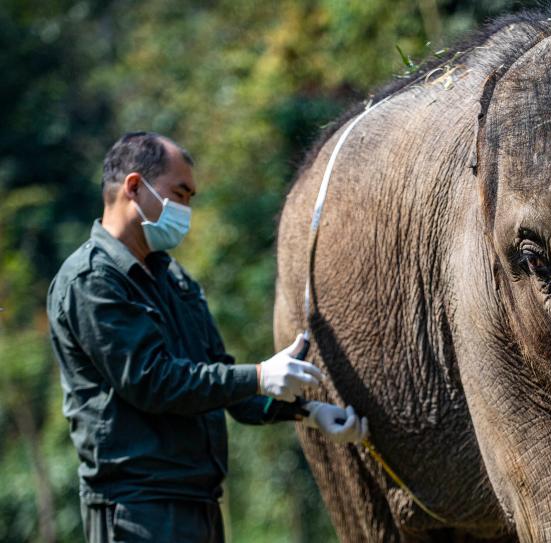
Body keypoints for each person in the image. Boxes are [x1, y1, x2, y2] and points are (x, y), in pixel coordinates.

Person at [46, 132, 368, 542]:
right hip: (136, 510)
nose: (186, 210)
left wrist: (307, 412)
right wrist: (258, 376)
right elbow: (153, 382)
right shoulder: (92, 280)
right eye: (179, 194)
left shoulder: (175, 281)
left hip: (198, 503)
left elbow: (220, 382)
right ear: (134, 187)